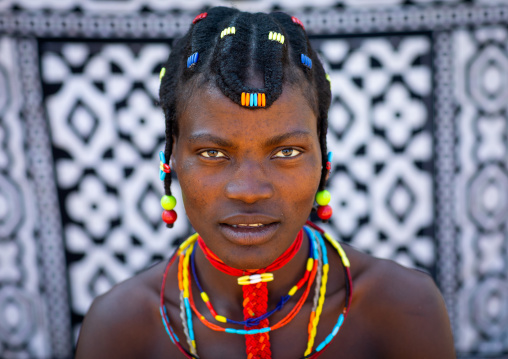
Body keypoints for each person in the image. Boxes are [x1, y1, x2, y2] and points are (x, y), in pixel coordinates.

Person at [75, 7, 456, 359]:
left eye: (286, 152)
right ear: (170, 159)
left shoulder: (404, 309)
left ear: (323, 160)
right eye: (212, 153)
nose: (249, 190)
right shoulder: (120, 328)